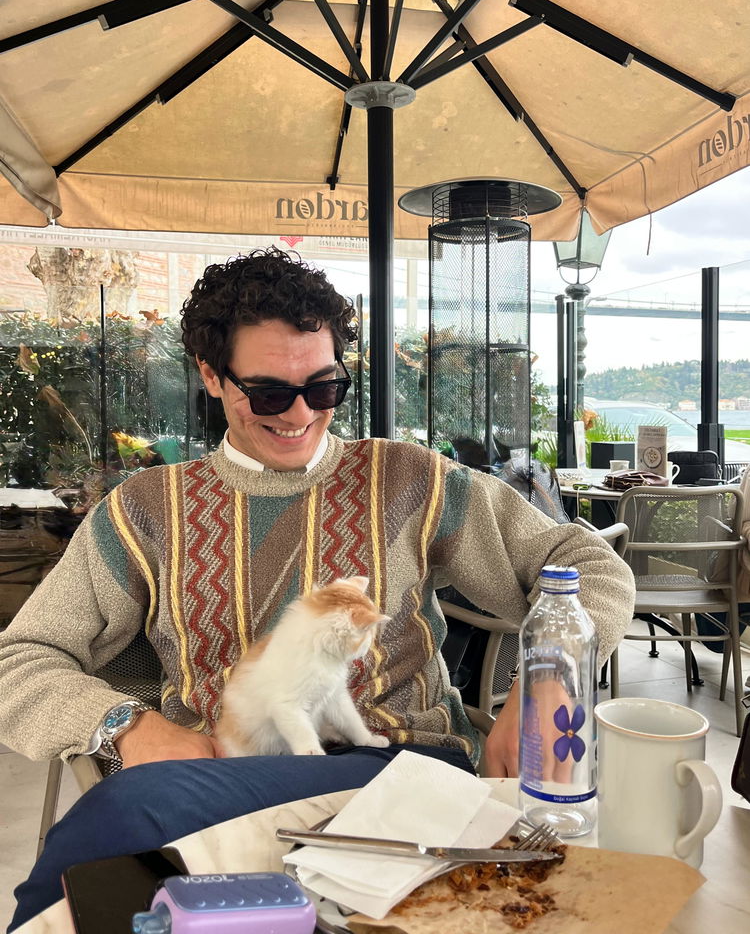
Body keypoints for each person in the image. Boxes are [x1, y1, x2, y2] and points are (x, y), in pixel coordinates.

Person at [0, 248, 635, 929]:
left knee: (122, 823)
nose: (301, 413)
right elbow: (22, 660)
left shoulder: (410, 482)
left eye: (324, 387)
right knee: (119, 849)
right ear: (211, 376)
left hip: (403, 774)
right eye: (270, 393)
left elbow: (590, 564)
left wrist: (547, 678)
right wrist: (127, 725)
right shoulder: (145, 511)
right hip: (223, 783)